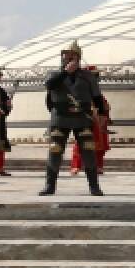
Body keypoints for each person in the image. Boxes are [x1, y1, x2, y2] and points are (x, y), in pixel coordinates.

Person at [39, 40, 104, 196]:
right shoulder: (54, 74)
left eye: (71, 55)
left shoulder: (87, 76)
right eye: (65, 55)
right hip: (60, 116)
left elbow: (97, 97)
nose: (67, 58)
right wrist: (65, 72)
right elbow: (49, 85)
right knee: (55, 150)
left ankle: (94, 186)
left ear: (77, 57)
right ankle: (50, 185)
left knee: (88, 150)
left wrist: (102, 114)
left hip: (82, 117)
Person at [70, 66, 110, 176]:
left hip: (97, 123)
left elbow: (104, 106)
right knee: (80, 144)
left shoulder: (98, 94)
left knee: (99, 146)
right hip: (83, 121)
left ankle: (98, 166)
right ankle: (76, 166)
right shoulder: (78, 90)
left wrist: (104, 115)